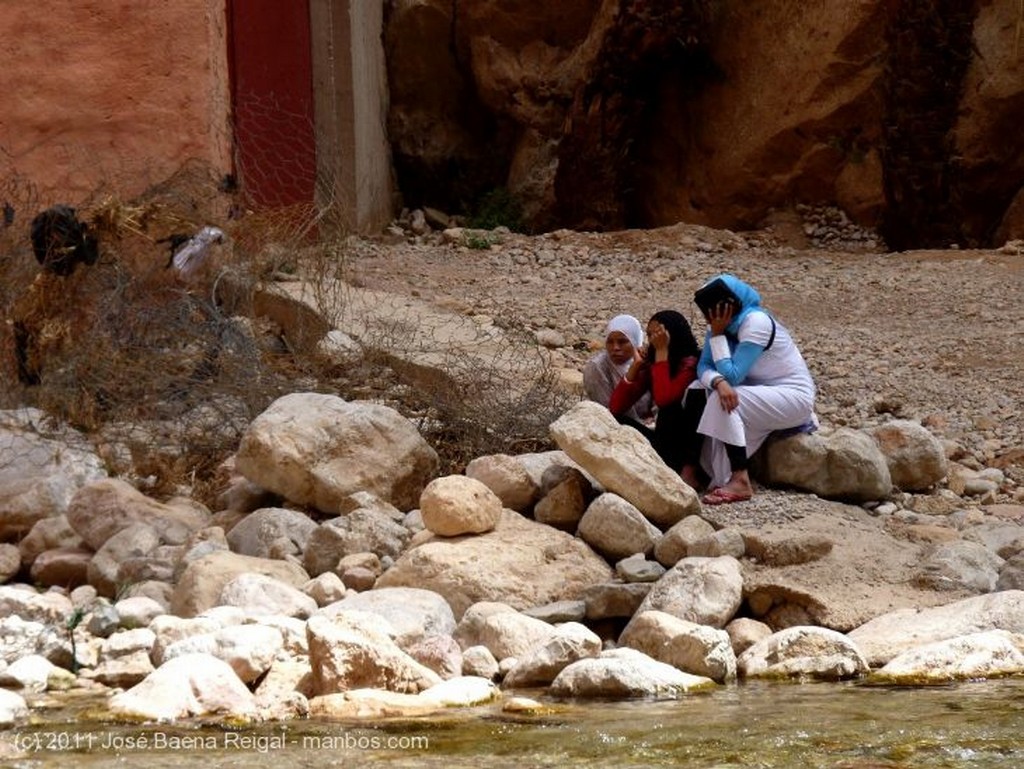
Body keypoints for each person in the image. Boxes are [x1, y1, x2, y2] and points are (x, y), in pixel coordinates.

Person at [682, 274, 817, 505]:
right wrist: (718, 381)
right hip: (758, 390)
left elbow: (733, 375)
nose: (711, 316)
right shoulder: (720, 324)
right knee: (697, 390)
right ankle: (691, 470)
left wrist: (716, 336)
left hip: (793, 396)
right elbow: (703, 367)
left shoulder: (756, 322)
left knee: (718, 399)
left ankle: (740, 479)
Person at [608, 310, 701, 471]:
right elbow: (616, 407)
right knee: (613, 419)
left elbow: (664, 399)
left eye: (659, 335)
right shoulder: (655, 361)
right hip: (663, 442)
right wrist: (635, 367)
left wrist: (662, 354)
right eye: (650, 335)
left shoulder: (690, 363)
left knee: (670, 409)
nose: (655, 341)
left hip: (688, 448)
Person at [583, 314, 654, 425]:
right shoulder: (597, 367)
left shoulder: (645, 361)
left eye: (622, 342)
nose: (615, 348)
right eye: (610, 342)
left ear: (635, 342)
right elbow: (608, 411)